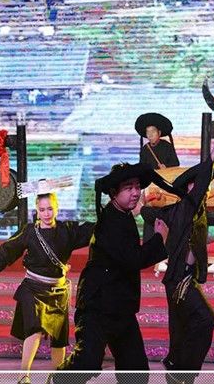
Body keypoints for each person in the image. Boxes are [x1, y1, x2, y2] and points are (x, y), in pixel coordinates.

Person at [59, 162, 184, 383]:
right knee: (86, 364)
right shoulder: (110, 221)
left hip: (121, 307)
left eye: (137, 187)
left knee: (135, 371)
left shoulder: (122, 215)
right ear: (114, 193)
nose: (135, 192)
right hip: (98, 307)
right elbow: (133, 258)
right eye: (128, 188)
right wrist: (159, 238)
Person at [0, 191, 95, 384]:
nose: (46, 213)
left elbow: (93, 230)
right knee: (34, 330)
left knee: (59, 338)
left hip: (58, 291)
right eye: (42, 210)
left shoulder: (67, 230)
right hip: (33, 288)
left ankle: (57, 377)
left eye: (50, 209)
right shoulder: (30, 231)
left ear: (56, 208)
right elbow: (8, 250)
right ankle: (24, 376)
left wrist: (113, 215)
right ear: (37, 211)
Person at [137, 133, 214, 384]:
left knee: (181, 327)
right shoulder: (185, 207)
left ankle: (176, 369)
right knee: (205, 318)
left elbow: (149, 213)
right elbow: (150, 214)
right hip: (180, 280)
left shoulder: (192, 212)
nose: (203, 190)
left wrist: (143, 207)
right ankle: (182, 369)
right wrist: (212, 154)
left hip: (184, 278)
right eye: (199, 186)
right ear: (188, 189)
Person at [136, 112, 180, 243]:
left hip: (165, 189)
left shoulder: (167, 147)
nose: (150, 135)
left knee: (165, 216)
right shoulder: (145, 149)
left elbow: (176, 165)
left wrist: (166, 169)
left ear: (159, 133)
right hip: (151, 188)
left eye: (153, 131)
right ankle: (149, 244)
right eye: (148, 132)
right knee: (149, 215)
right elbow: (141, 168)